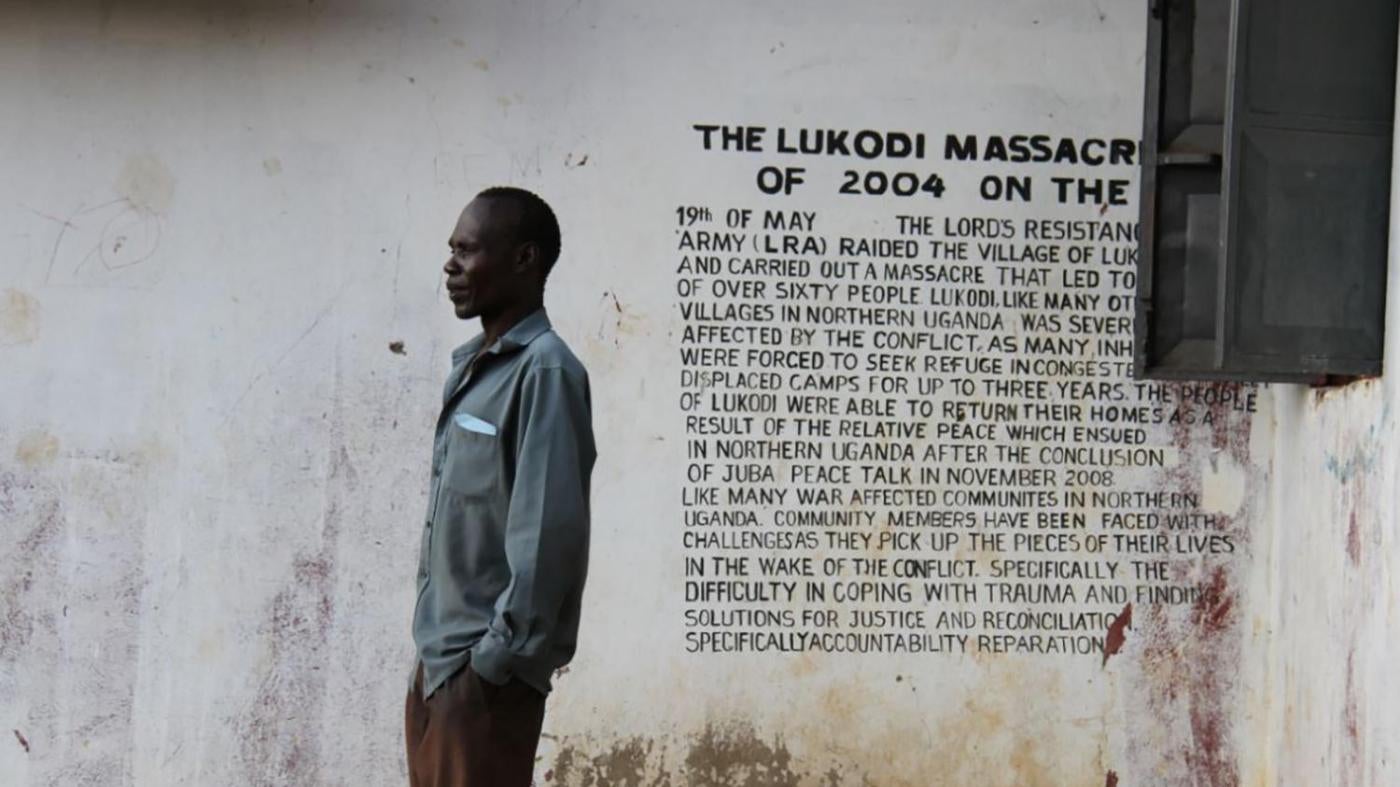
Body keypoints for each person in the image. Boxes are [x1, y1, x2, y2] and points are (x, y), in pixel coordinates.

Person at [405, 187, 596, 787]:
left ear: (524, 259)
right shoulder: (473, 367)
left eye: (468, 251)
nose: (451, 266)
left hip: (482, 680)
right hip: (439, 665)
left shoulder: (547, 372)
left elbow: (546, 538)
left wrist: (489, 668)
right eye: (451, 251)